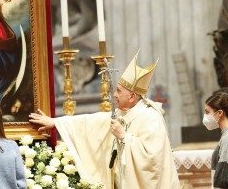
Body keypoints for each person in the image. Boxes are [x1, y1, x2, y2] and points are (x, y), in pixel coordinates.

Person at [29, 52, 180, 189]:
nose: (114, 94)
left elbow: (153, 160)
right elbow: (89, 123)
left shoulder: (150, 118)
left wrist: (124, 137)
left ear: (132, 97)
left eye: (119, 91)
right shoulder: (123, 113)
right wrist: (56, 122)